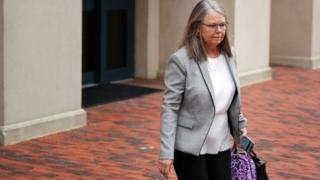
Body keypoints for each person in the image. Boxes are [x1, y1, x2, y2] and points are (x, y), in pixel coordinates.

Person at [159, 0, 248, 179]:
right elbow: (170, 108)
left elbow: (230, 98)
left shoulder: (230, 55)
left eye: (223, 25)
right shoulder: (181, 60)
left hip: (221, 142)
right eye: (213, 25)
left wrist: (240, 126)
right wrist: (166, 152)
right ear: (197, 27)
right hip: (190, 147)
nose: (219, 30)